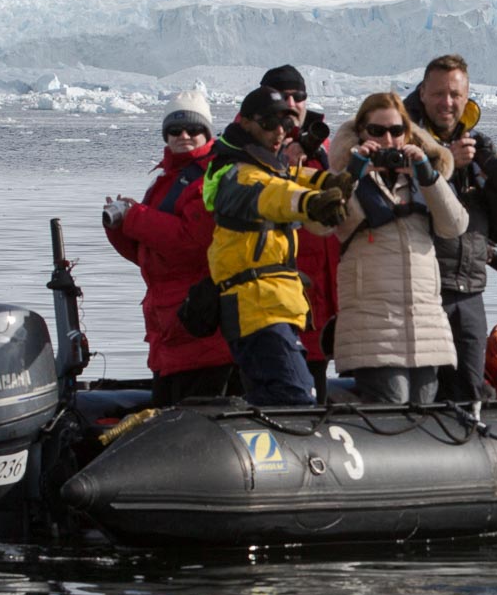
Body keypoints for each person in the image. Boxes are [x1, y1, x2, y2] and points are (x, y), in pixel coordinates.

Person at [203, 86, 354, 406]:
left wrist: (329, 182)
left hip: (273, 308)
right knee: (295, 396)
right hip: (256, 309)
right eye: (269, 123)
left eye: (285, 125)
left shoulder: (264, 165)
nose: (279, 132)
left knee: (276, 396)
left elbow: (294, 179)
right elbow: (274, 195)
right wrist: (312, 204)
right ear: (245, 122)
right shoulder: (236, 174)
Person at [327, 93, 468, 404]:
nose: (388, 140)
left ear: (409, 133)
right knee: (391, 400)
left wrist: (427, 174)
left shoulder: (423, 179)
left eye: (396, 131)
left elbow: (455, 226)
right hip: (373, 326)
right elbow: (321, 224)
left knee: (423, 410)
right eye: (376, 131)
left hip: (425, 324)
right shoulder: (344, 177)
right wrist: (353, 172)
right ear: (361, 133)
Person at [102, 91, 235, 406]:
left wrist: (135, 217)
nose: (184, 136)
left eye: (193, 130)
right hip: (169, 331)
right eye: (175, 131)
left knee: (196, 424)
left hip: (202, 331)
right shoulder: (165, 179)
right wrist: (119, 229)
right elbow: (148, 255)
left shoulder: (210, 178)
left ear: (207, 133)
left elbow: (192, 243)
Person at [403, 54, 497, 401]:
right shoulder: (404, 145)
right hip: (423, 287)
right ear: (423, 93)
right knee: (424, 392)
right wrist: (447, 164)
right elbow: (406, 207)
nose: (448, 103)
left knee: (471, 388)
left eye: (456, 95)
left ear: (467, 96)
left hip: (469, 287)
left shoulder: (477, 145)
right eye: (439, 94)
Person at [260, 64, 339, 401]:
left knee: (316, 381)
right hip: (279, 294)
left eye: (298, 95)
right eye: (282, 95)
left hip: (323, 298)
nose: (291, 102)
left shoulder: (328, 149)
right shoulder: (250, 148)